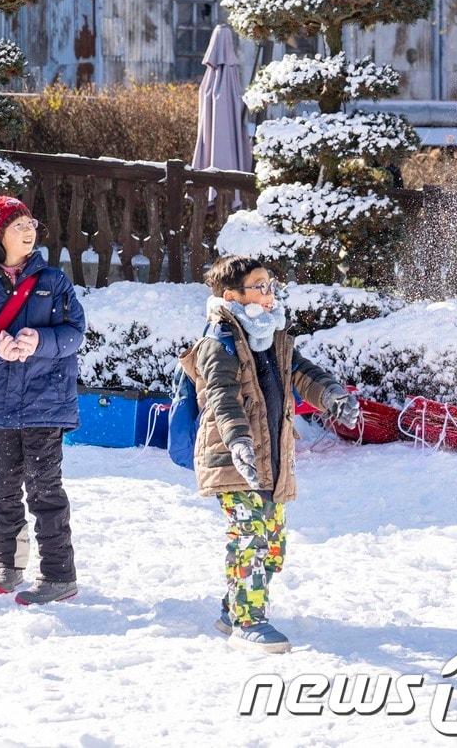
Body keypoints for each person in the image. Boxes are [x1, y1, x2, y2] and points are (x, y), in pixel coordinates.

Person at [179, 255, 360, 653]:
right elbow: (221, 401)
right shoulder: (218, 342)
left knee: (273, 546)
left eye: (270, 285)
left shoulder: (273, 335)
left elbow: (304, 373)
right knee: (252, 539)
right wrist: (238, 441)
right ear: (233, 296)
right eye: (259, 286)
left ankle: (233, 608)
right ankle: (248, 620)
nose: (268, 293)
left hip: (271, 459)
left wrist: (333, 396)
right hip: (233, 458)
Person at [0, 192, 86, 606]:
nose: (29, 231)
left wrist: (41, 340)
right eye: (18, 226)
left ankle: (58, 574)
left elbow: (74, 334)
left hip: (46, 403)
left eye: (30, 224)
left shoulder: (54, 282)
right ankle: (8, 564)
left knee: (46, 490)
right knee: (1, 489)